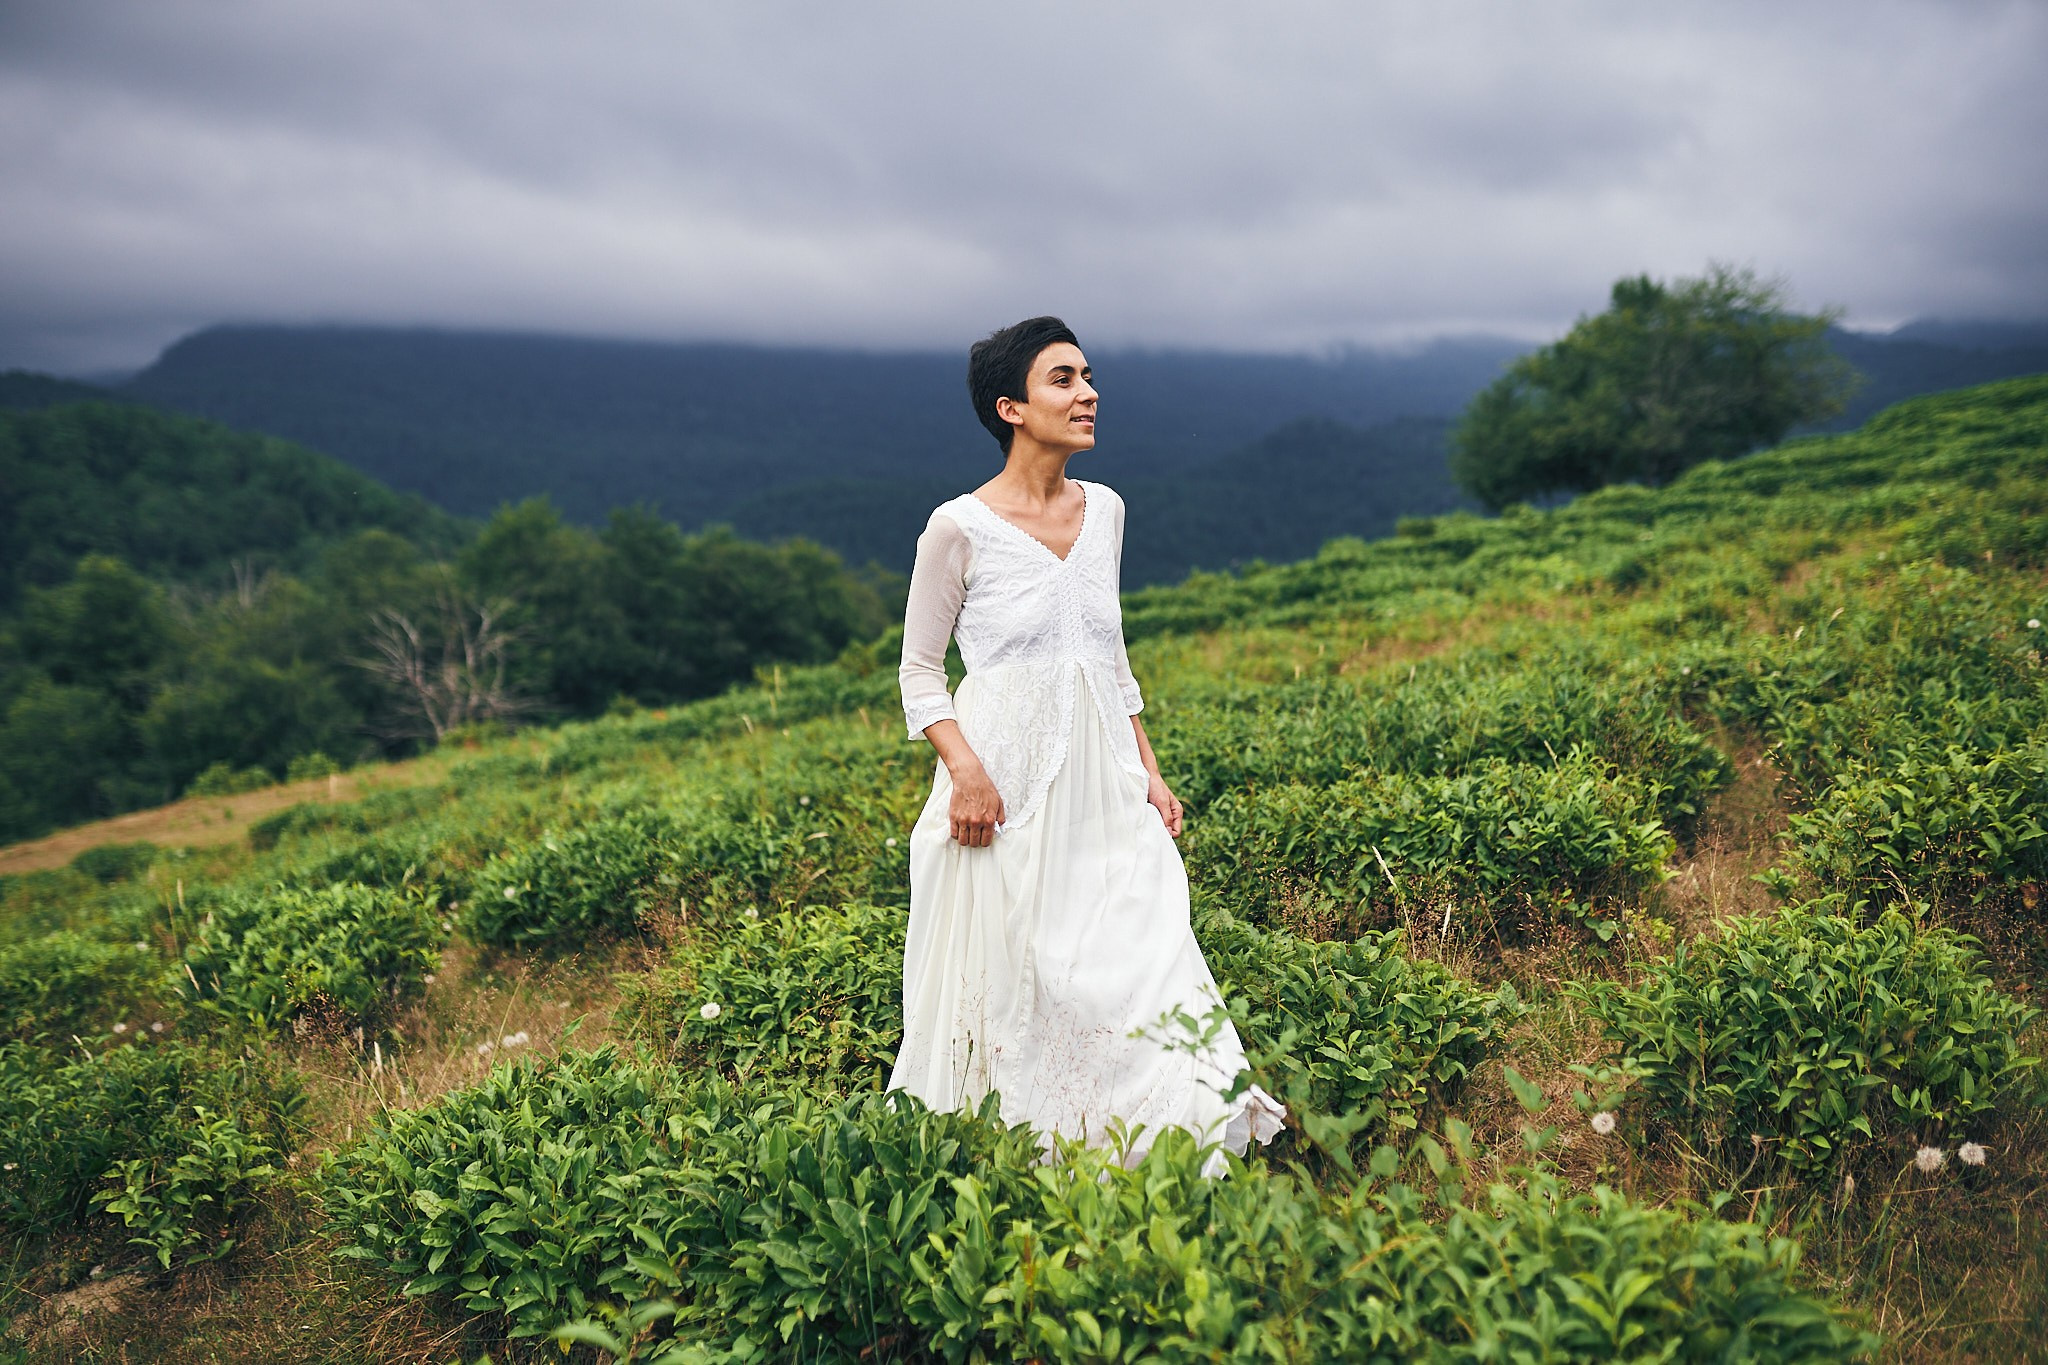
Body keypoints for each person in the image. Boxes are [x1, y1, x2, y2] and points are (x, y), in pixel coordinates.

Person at [889, 315, 1285, 1175]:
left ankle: (1167, 1153)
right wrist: (965, 773)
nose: (1088, 392)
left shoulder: (1103, 510)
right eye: (1062, 380)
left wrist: (1148, 767)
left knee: (1145, 961)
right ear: (1011, 407)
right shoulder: (956, 528)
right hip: (1004, 797)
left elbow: (1107, 653)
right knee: (1019, 987)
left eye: (1087, 375)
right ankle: (1040, 1162)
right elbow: (920, 673)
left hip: (1105, 787)